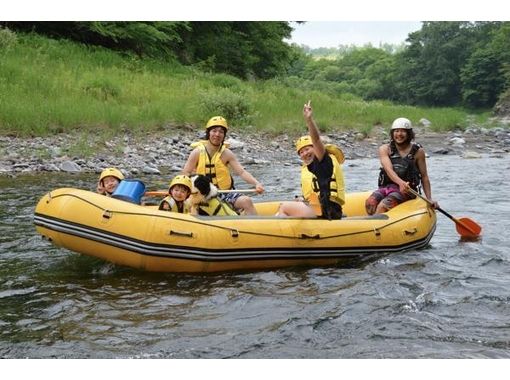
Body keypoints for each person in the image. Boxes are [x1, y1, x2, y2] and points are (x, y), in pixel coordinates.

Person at [182, 116, 264, 215]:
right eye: (214, 131)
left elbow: (241, 172)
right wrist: (182, 189)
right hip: (202, 194)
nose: (217, 134)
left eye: (221, 132)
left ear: (224, 135)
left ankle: (253, 227)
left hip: (225, 193)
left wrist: (256, 183)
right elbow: (186, 173)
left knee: (246, 201)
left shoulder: (227, 153)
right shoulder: (197, 152)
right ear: (208, 133)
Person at [277, 101, 345, 219]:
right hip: (322, 209)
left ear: (315, 149)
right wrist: (303, 200)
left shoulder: (325, 162)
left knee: (284, 207)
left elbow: (316, 140)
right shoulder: (314, 167)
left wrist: (309, 120)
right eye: (301, 152)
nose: (304, 154)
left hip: (328, 211)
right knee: (287, 208)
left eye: (307, 149)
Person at [365, 117, 439, 215]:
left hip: (408, 191)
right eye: (396, 131)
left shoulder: (418, 152)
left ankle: (376, 227)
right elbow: (389, 170)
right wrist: (400, 183)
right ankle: (373, 225)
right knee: (370, 203)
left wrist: (429, 198)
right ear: (392, 133)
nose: (399, 134)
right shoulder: (384, 149)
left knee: (384, 205)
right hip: (386, 187)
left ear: (409, 134)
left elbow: (424, 177)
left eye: (403, 131)